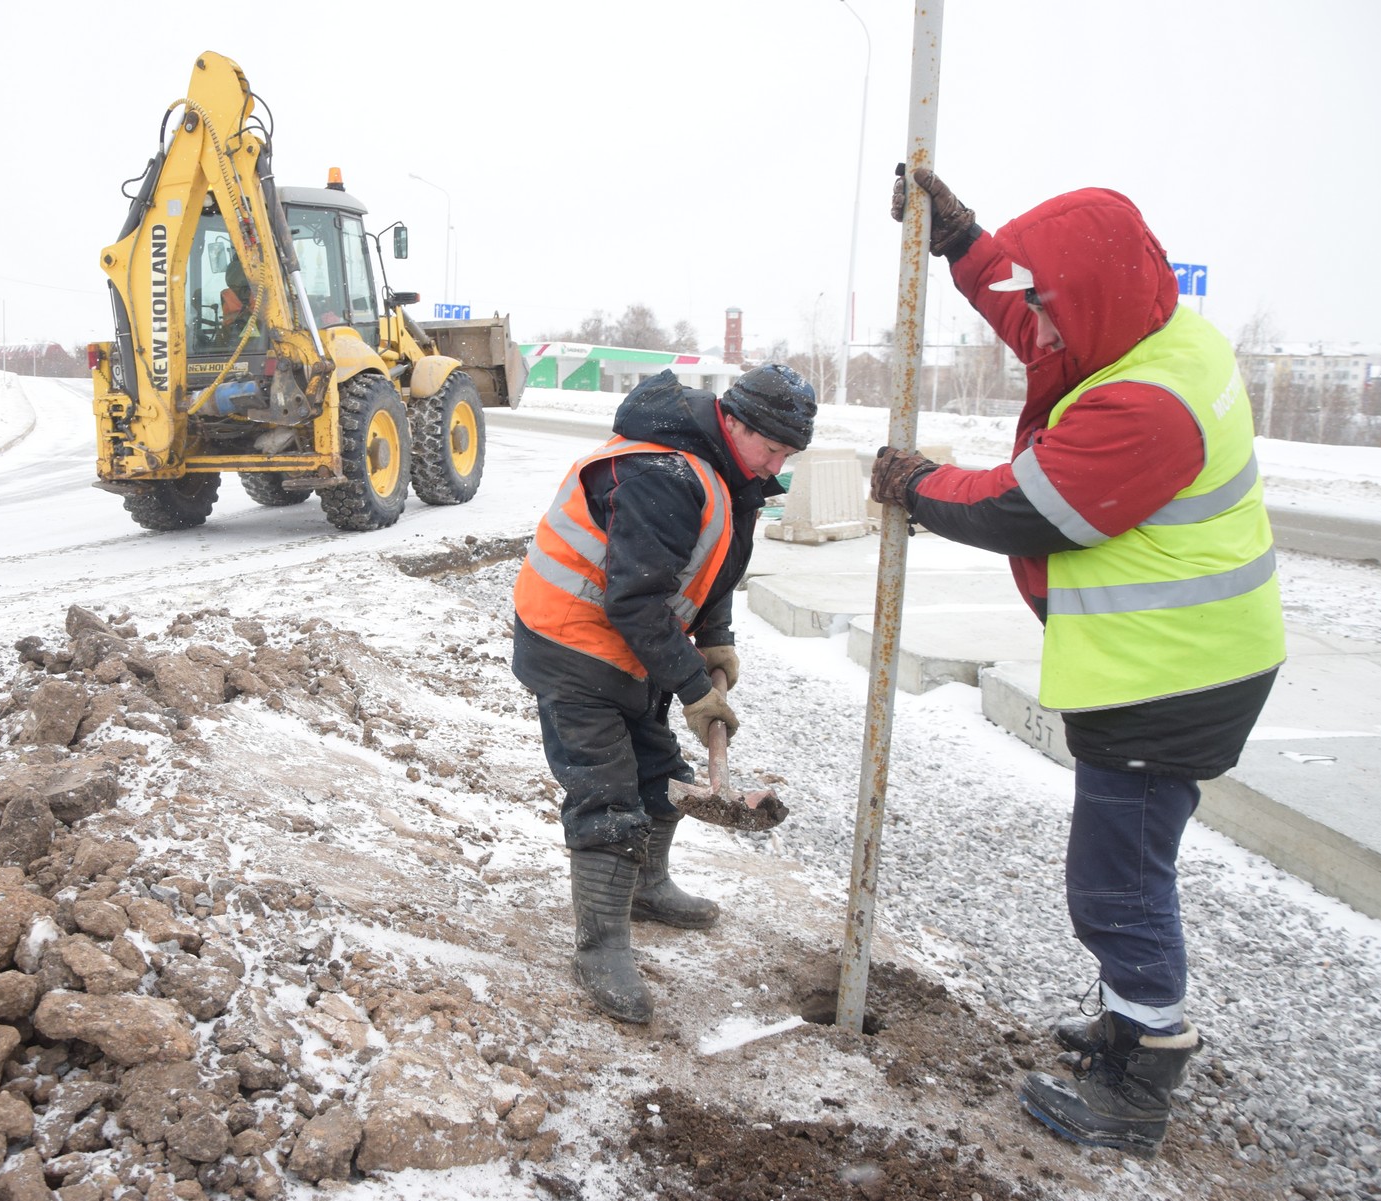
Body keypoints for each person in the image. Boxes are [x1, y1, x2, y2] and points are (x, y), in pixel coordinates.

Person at [871, 169, 1285, 1157]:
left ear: (1092, 305)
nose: (1041, 334)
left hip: (1171, 675)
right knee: (1127, 867)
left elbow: (1028, 506)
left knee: (1117, 883)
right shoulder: (1147, 332)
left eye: (1055, 312)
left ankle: (1141, 1072)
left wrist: (920, 487)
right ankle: (1124, 1013)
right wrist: (964, 241)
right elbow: (1033, 315)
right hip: (1186, 659)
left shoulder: (1150, 404)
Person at [512, 363, 817, 1023]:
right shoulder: (666, 475)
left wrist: (715, 639)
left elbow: (713, 571)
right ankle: (601, 949)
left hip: (629, 646)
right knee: (606, 791)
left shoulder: (736, 477)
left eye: (789, 454)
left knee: (659, 771)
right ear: (733, 422)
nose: (776, 465)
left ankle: (647, 888)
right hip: (572, 642)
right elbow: (636, 595)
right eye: (772, 449)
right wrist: (690, 688)